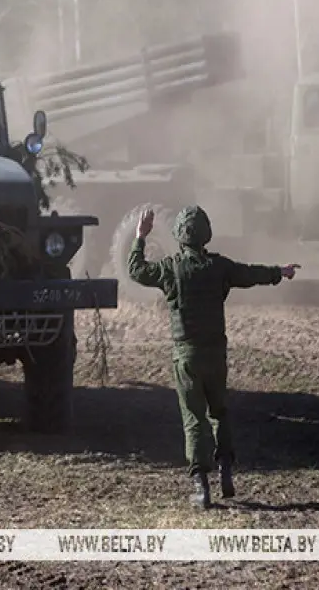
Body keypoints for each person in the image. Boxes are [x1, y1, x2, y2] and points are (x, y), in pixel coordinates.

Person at [128, 205, 300, 509]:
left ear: (179, 236)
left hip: (187, 355)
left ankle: (201, 484)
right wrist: (280, 272)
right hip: (216, 354)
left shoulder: (170, 268)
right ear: (206, 234)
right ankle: (226, 471)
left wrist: (141, 236)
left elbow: (136, 270)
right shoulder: (220, 267)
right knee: (219, 411)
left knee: (193, 417)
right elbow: (250, 274)